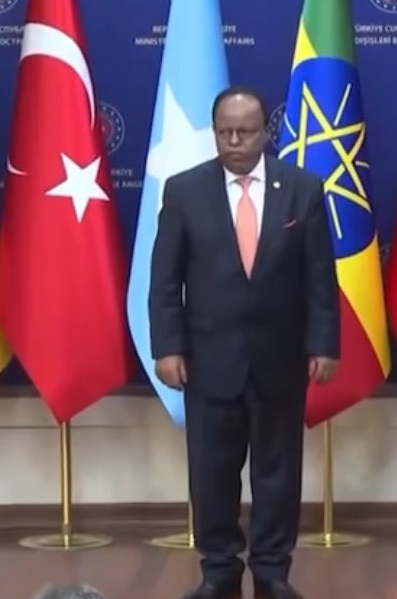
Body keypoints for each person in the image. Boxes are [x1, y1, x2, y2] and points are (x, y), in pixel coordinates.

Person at [149, 85, 340, 599]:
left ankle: (273, 571)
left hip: (280, 358)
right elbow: (164, 279)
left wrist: (324, 343)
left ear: (265, 133)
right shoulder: (185, 191)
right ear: (214, 133)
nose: (235, 142)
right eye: (226, 132)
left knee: (278, 474)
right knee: (212, 473)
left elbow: (320, 278)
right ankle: (219, 571)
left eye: (246, 132)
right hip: (209, 361)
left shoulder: (302, 189)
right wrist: (167, 347)